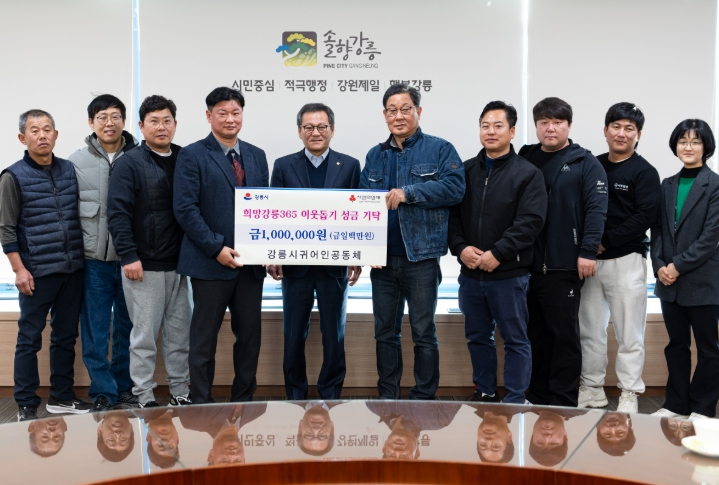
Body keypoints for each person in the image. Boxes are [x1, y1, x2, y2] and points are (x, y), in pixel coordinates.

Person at [359, 83, 465, 400]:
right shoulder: (374, 155)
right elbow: (362, 204)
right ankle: (388, 397)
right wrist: (364, 250)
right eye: (392, 110)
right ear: (384, 115)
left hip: (421, 259)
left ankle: (423, 399)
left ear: (418, 111)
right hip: (382, 262)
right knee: (384, 334)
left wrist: (410, 193)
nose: (399, 116)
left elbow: (455, 188)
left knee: (423, 333)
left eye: (405, 109)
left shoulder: (440, 149)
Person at [174, 87, 269, 403]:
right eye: (222, 113)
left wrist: (268, 251)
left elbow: (266, 208)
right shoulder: (192, 154)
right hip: (209, 263)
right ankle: (201, 403)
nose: (230, 119)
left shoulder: (256, 155)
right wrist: (216, 248)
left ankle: (243, 401)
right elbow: (186, 209)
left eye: (236, 112)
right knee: (204, 340)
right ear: (209, 116)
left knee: (250, 338)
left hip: (250, 265)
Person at [449, 101, 546, 404]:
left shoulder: (528, 173)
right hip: (470, 275)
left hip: (509, 275)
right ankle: (485, 391)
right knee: (478, 337)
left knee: (516, 339)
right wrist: (460, 248)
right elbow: (451, 217)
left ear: (512, 131)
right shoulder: (465, 170)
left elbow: (530, 222)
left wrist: (498, 253)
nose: (490, 131)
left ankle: (516, 398)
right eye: (485, 126)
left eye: (498, 126)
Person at [518, 97, 608, 407]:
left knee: (564, 337)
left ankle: (563, 400)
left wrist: (587, 251)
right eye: (544, 122)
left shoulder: (585, 162)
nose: (550, 128)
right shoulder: (526, 156)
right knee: (535, 334)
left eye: (557, 122)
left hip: (564, 265)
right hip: (527, 265)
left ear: (568, 125)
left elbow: (597, 210)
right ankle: (537, 395)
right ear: (536, 126)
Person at [268, 103, 361, 400]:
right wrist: (273, 256)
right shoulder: (283, 166)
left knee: (334, 336)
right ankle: (295, 395)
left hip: (335, 266)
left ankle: (330, 394)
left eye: (322, 127)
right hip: (296, 267)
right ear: (299, 131)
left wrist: (357, 256)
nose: (315, 132)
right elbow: (272, 215)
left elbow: (358, 216)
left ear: (332, 130)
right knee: (293, 335)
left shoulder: (350, 165)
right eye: (308, 127)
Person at [2, 110, 90, 421]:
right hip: (36, 272)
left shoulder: (68, 169)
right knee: (29, 339)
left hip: (72, 269)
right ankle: (26, 404)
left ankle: (61, 397)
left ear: (56, 134)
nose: (42, 135)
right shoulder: (12, 176)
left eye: (47, 129)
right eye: (35, 130)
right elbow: (6, 229)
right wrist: (19, 270)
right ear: (22, 138)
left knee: (65, 337)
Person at [107, 95, 191, 408]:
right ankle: (144, 395)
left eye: (167, 120)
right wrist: (129, 255)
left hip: (182, 265)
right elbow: (117, 214)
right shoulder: (129, 163)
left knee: (179, 335)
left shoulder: (185, 158)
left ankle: (180, 391)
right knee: (144, 337)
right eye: (154, 121)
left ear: (175, 124)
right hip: (143, 266)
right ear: (141, 126)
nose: (161, 127)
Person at [578, 103, 661, 413]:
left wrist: (605, 242)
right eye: (616, 126)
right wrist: (589, 246)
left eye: (629, 129)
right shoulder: (593, 165)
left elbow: (645, 216)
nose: (622, 133)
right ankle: (592, 388)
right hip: (589, 262)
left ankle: (629, 392)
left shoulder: (644, 171)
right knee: (589, 330)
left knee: (629, 333)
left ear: (638, 135)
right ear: (605, 130)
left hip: (627, 260)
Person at [68, 94, 138, 411]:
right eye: (101, 117)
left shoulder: (139, 157)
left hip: (131, 260)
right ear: (91, 122)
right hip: (93, 262)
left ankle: (124, 388)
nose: (109, 123)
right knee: (95, 329)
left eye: (115, 116)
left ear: (124, 120)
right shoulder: (74, 162)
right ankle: (102, 392)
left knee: (128, 328)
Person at [650, 119, 719, 420]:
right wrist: (659, 266)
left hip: (703, 280)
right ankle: (676, 404)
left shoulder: (714, 184)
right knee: (676, 345)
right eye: (682, 141)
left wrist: (676, 266)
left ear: (706, 147)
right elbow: (657, 230)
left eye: (695, 141)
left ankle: (703, 407)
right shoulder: (667, 184)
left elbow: (710, 237)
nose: (688, 147)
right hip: (669, 282)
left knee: (708, 348)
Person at [177, 403, 267, 466]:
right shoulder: (259, 409)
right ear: (244, 459)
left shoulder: (192, 419)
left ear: (211, 456)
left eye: (224, 461)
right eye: (237, 461)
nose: (232, 456)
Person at [366, 401, 461, 459]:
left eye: (392, 455)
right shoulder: (439, 418)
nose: (398, 451)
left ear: (384, 447)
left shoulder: (374, 406)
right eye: (404, 457)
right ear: (417, 452)